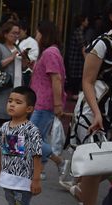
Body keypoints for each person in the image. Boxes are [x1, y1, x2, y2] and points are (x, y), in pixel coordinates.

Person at [68, 0, 112, 205]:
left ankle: (82, 188)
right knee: (97, 162)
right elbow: (87, 81)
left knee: (108, 162)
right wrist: (97, 113)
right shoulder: (102, 44)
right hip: (95, 107)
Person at [0, 86, 43, 205]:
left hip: (23, 183)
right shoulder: (4, 127)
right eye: (10, 101)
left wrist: (36, 180)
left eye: (18, 102)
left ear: (29, 108)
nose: (12, 105)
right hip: (8, 179)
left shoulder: (31, 130)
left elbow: (36, 156)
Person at [29, 20, 66, 181]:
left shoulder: (50, 53)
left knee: (31, 137)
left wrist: (57, 104)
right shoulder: (50, 52)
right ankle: (40, 170)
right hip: (41, 101)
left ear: (44, 34)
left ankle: (60, 161)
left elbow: (56, 78)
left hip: (44, 103)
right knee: (39, 136)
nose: (36, 36)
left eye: (38, 32)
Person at [0, 21, 24, 147]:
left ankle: (12, 149)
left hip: (16, 89)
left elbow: (20, 68)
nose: (16, 36)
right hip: (2, 89)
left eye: (18, 33)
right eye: (13, 33)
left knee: (14, 119)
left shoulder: (18, 48)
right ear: (5, 33)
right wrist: (11, 57)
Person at [67, 15, 89, 100]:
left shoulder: (80, 31)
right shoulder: (79, 32)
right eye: (86, 20)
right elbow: (82, 47)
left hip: (76, 59)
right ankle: (74, 95)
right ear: (82, 22)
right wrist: (87, 60)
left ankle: (75, 94)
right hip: (76, 60)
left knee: (76, 76)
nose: (88, 22)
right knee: (76, 77)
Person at [17, 20, 39, 87]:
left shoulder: (32, 42)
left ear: (25, 30)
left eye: (19, 32)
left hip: (26, 73)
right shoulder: (16, 41)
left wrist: (24, 56)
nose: (17, 34)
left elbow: (34, 57)